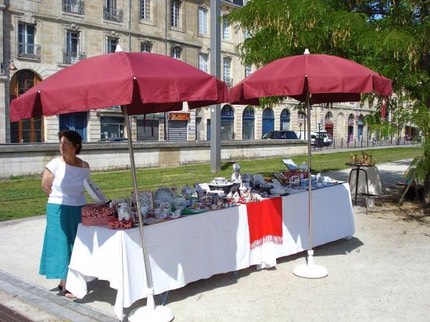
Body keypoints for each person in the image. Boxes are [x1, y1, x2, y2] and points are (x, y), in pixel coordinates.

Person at [39, 130, 90, 298]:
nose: (61, 146)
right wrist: (61, 199)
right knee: (61, 245)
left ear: (76, 146)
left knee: (77, 245)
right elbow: (46, 186)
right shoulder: (54, 164)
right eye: (60, 143)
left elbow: (86, 187)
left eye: (66, 143)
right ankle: (65, 283)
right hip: (58, 208)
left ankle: (72, 280)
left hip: (79, 208)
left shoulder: (84, 166)